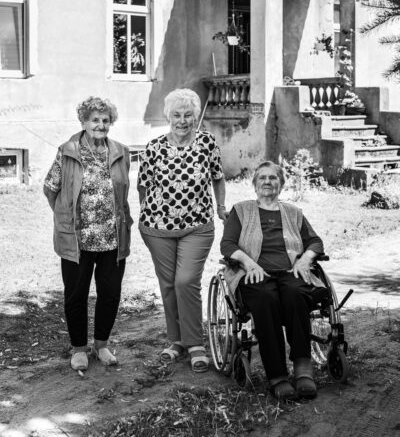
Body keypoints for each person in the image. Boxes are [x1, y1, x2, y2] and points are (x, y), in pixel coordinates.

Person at [137, 88, 228, 372]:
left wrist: (221, 206)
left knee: (185, 281)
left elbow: (218, 178)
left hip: (197, 226)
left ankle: (195, 343)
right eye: (176, 114)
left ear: (195, 116)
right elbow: (142, 186)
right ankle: (176, 342)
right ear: (168, 117)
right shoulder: (152, 147)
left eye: (188, 114)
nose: (182, 120)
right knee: (167, 285)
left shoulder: (207, 143)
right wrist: (149, 214)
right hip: (157, 229)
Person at [221, 161, 325, 400]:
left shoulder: (293, 212)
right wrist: (249, 263)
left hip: (290, 273)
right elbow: (227, 244)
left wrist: (304, 260)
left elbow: (315, 242)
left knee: (297, 295)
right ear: (255, 184)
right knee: (266, 300)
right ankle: (277, 375)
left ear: (281, 183)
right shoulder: (241, 210)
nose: (267, 182)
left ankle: (302, 368)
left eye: (273, 178)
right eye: (262, 178)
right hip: (254, 274)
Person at [43, 96, 132, 372]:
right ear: (83, 122)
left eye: (105, 120)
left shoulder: (121, 151)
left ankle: (102, 345)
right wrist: (64, 217)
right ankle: (80, 349)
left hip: (112, 238)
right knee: (76, 295)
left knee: (110, 294)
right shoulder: (68, 150)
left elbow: (122, 191)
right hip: (77, 239)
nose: (100, 125)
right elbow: (51, 188)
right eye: (95, 120)